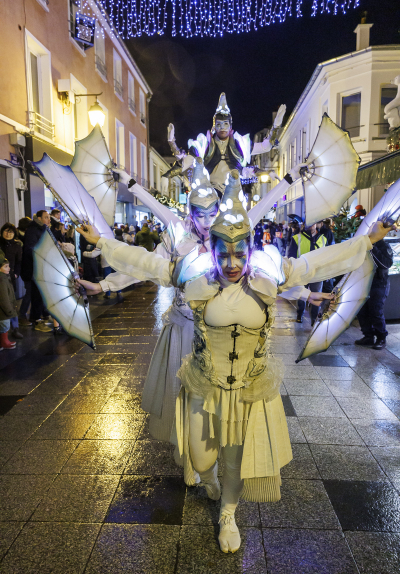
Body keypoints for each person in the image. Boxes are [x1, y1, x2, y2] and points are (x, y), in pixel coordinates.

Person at [75, 171, 384, 555]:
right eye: (224, 252)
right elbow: (146, 265)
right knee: (202, 458)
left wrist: (365, 241)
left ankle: (229, 513)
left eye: (240, 252)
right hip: (205, 381)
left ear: (250, 248)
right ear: (213, 248)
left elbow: (315, 264)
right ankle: (210, 482)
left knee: (235, 459)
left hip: (247, 386)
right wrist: (102, 243)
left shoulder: (269, 275)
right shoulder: (194, 273)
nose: (233, 262)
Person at [168, 93, 286, 195]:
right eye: (219, 124)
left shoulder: (240, 144)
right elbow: (186, 160)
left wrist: (276, 126)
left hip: (233, 191)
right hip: (209, 191)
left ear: (230, 126)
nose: (222, 128)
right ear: (215, 126)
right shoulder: (205, 144)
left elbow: (265, 146)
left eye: (225, 124)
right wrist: (172, 144)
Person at [355, 238, 393, 350]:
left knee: (376, 311)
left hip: (379, 283)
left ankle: (381, 338)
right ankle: (368, 336)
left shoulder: (383, 245)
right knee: (362, 311)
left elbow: (386, 264)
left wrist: (372, 247)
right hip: (363, 282)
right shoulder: (362, 244)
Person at [288, 222, 327, 324]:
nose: (312, 226)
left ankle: (314, 319)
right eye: (310, 224)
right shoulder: (297, 238)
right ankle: (299, 314)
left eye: (314, 224)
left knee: (317, 295)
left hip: (317, 273)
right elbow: (291, 256)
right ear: (305, 225)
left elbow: (327, 256)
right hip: (302, 273)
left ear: (316, 225)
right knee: (301, 295)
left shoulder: (323, 239)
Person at [20, 210, 53, 332]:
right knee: (35, 295)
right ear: (39, 218)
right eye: (46, 217)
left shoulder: (43, 229)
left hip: (41, 268)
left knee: (40, 294)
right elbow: (30, 249)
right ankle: (36, 320)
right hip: (34, 269)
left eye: (49, 217)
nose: (48, 220)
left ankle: (41, 317)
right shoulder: (34, 230)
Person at [0, 223, 23, 339]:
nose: (8, 234)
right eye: (6, 231)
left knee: (12, 303)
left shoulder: (17, 246)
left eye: (11, 232)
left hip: (10, 278)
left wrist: (16, 274)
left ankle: (15, 328)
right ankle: (3, 331)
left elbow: (19, 262)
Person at [0, 254, 18, 350]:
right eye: (6, 266)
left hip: (4, 311)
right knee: (4, 326)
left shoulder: (5, 278)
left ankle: (2, 342)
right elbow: (3, 298)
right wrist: (9, 310)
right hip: (3, 311)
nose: (9, 268)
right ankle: (4, 342)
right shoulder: (2, 280)